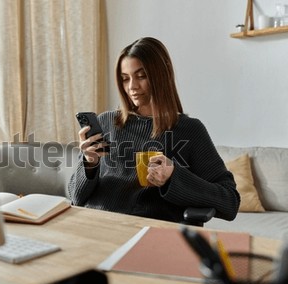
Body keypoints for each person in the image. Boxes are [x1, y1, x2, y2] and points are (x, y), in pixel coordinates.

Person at [68, 37, 240, 223]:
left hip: (144, 230)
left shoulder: (189, 130)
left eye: (141, 76)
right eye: (125, 79)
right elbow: (75, 198)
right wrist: (89, 163)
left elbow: (230, 202)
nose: (132, 87)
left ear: (161, 75)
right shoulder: (106, 122)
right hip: (93, 223)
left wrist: (173, 176)